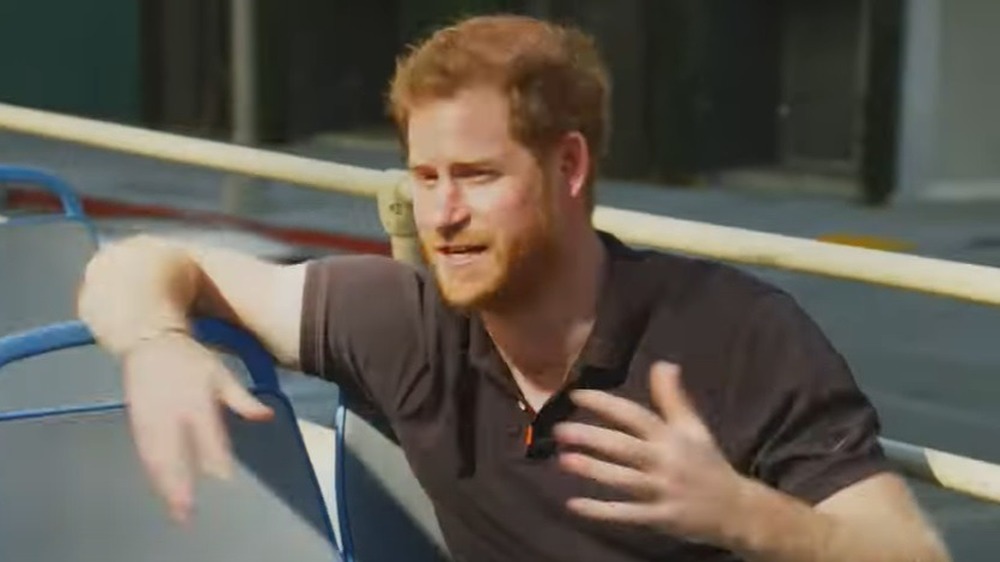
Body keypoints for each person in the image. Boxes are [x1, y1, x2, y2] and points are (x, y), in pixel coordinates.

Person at [78, 14, 950, 562]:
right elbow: (134, 264)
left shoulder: (739, 338)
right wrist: (160, 347)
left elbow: (907, 553)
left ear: (568, 165)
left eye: (476, 174)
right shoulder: (407, 322)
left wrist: (744, 516)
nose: (442, 213)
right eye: (424, 177)